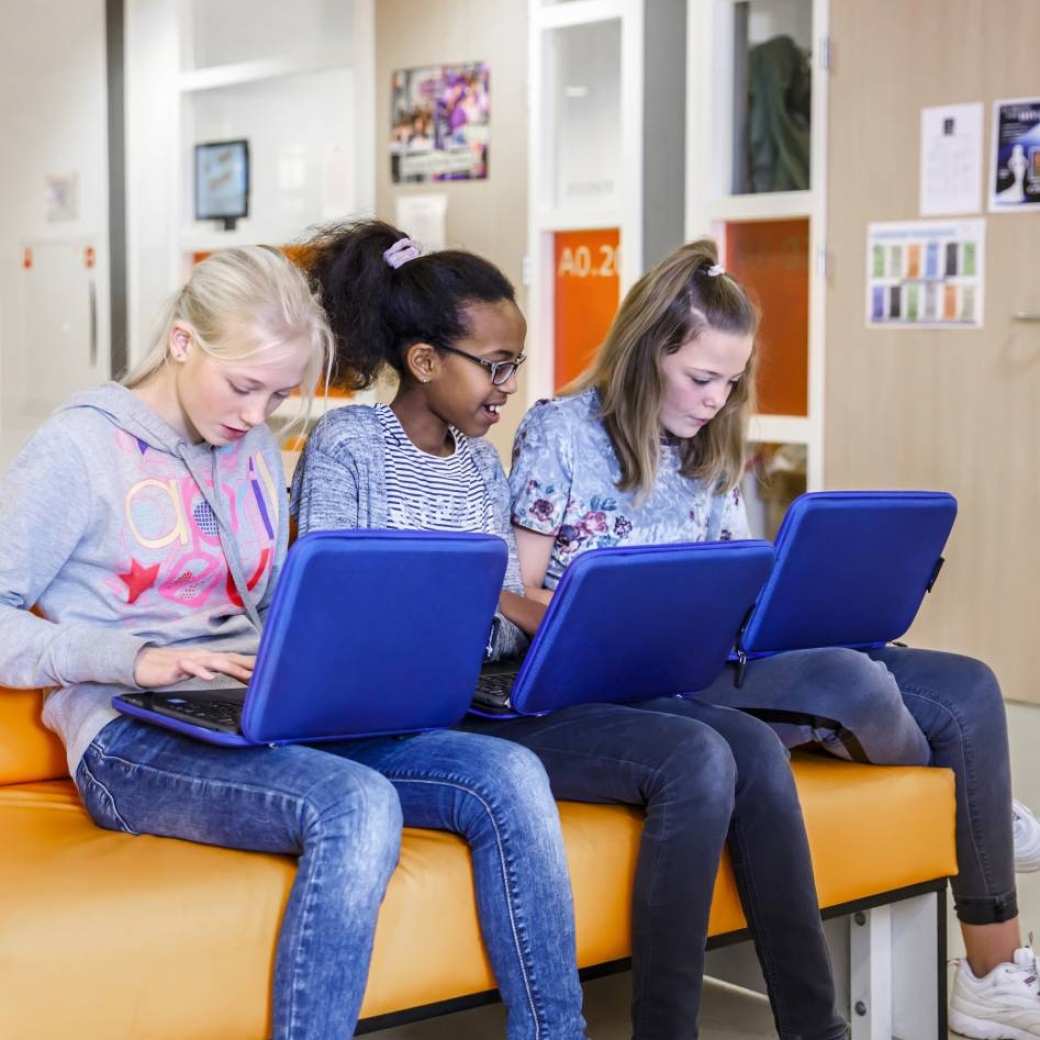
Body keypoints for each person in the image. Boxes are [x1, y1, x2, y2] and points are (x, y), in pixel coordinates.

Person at [291, 219, 850, 1040]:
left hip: (491, 678)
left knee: (752, 747)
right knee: (688, 757)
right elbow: (335, 596)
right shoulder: (348, 444)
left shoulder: (481, 464)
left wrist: (557, 613)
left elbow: (497, 600)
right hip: (423, 705)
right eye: (498, 366)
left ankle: (810, 1029)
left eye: (515, 365)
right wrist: (513, 605)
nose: (511, 385)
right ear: (423, 361)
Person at [509, 237, 1040, 1038]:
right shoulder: (560, 432)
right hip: (629, 669)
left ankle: (993, 968)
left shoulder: (712, 445)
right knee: (848, 682)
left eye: (731, 381)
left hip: (720, 650)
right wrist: (596, 611)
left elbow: (737, 566)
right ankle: (980, 808)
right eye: (701, 378)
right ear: (648, 352)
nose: (717, 398)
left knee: (965, 684)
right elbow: (515, 588)